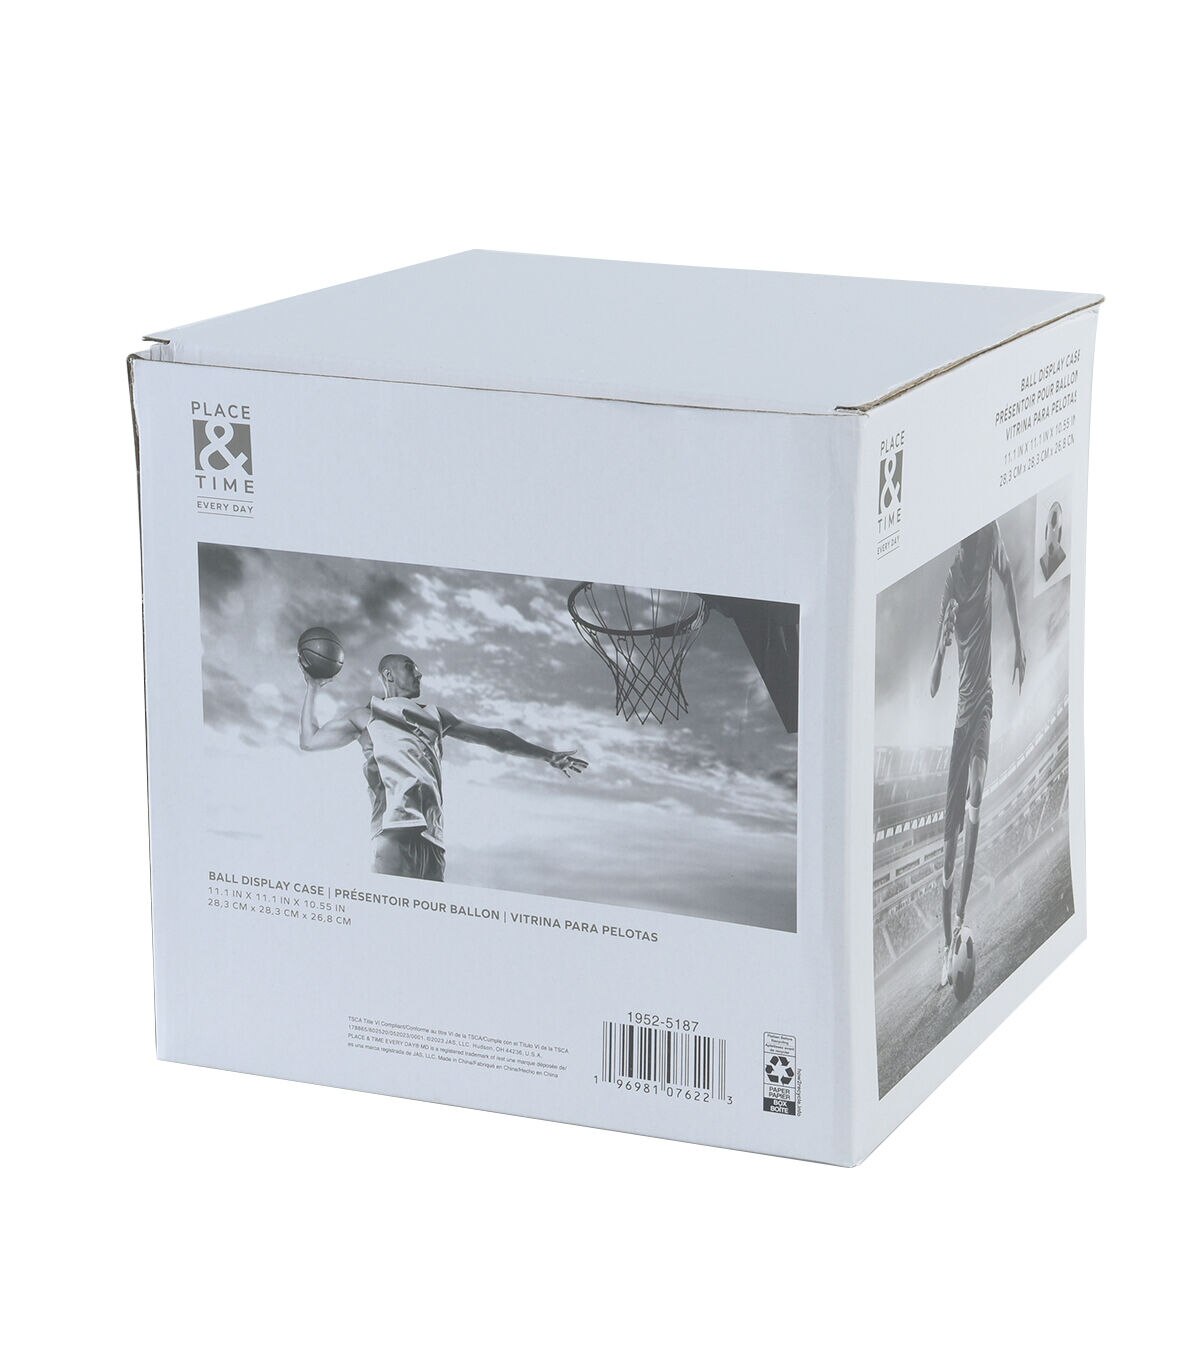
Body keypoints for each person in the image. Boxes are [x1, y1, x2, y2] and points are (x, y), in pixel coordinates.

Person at [299, 652, 587, 879]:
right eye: (410, 668)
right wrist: (312, 687)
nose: (419, 674)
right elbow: (310, 740)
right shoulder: (367, 715)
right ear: (388, 675)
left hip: (433, 838)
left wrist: (548, 755)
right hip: (393, 832)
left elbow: (494, 737)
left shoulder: (436, 716)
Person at [930, 523, 1026, 988]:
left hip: (983, 701)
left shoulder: (988, 536)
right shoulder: (951, 581)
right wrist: (941, 645)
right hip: (960, 721)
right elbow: (933, 686)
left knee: (979, 790)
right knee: (947, 852)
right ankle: (945, 943)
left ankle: (962, 917)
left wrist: (1020, 645)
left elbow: (1008, 580)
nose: (973, 561)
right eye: (967, 553)